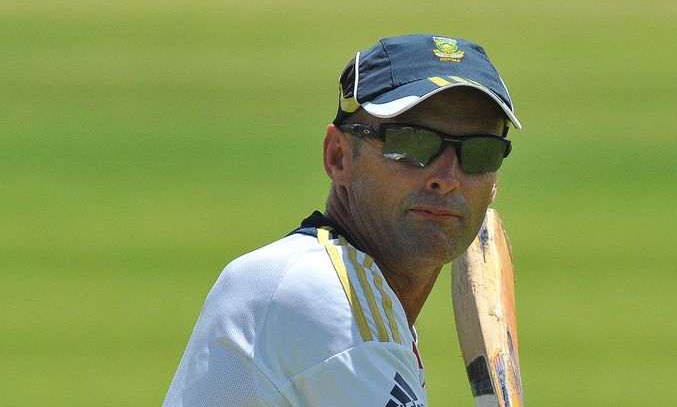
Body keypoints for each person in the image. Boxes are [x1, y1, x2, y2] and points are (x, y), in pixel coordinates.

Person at [163, 34, 523, 406]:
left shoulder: (364, 305)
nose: (447, 178)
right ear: (338, 157)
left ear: (494, 182)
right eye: (413, 143)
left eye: (480, 152)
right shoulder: (320, 294)